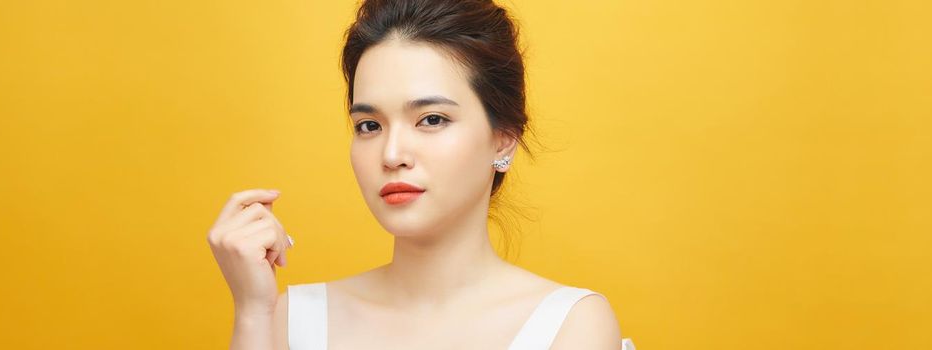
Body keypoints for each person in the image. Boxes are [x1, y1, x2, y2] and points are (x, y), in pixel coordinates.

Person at [207, 0, 634, 348]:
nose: (392, 154)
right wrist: (252, 313)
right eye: (369, 126)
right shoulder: (291, 319)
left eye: (431, 119)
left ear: (503, 140)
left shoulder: (569, 326)